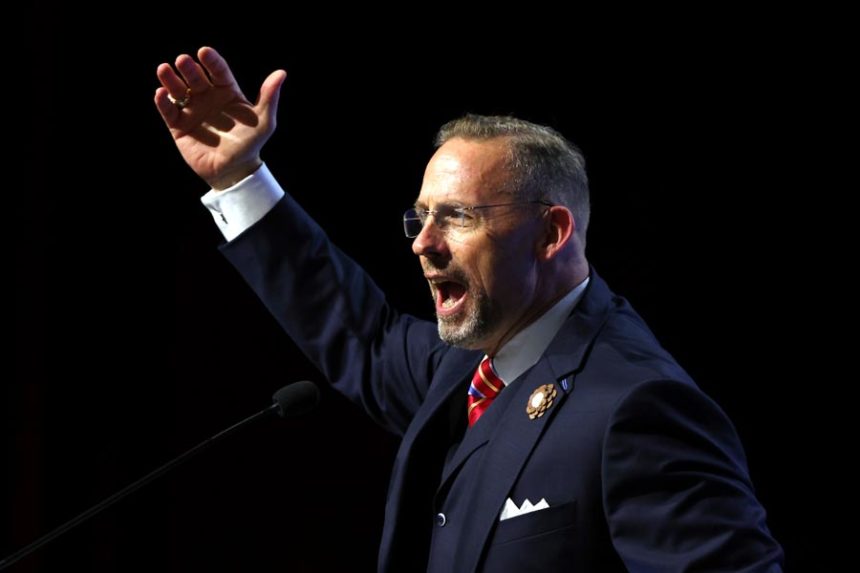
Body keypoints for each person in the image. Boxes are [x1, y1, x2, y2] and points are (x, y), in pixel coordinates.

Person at [155, 46, 784, 572]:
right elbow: (356, 331)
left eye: (456, 217)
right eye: (420, 217)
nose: (424, 244)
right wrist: (240, 178)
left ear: (550, 232)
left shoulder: (638, 407)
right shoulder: (463, 369)